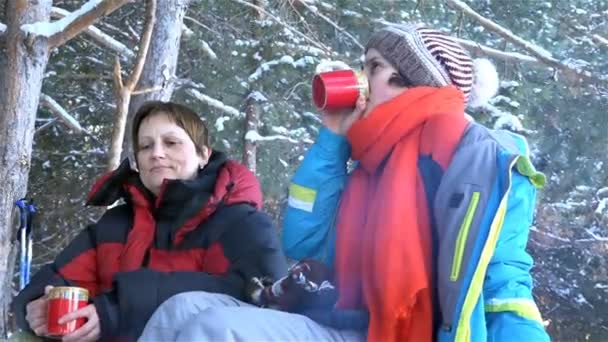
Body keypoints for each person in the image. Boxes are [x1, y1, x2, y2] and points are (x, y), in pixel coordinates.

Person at [139, 22, 551, 342]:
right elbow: (304, 244)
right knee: (181, 309)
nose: (360, 78)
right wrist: (333, 137)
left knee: (216, 330)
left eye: (374, 66)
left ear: (413, 80)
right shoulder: (370, 161)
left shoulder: (476, 157)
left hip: (395, 333)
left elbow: (502, 280)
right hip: (341, 319)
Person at [11, 101, 287, 341]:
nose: (156, 153)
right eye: (146, 146)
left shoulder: (240, 223)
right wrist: (36, 304)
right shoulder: (115, 225)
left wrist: (116, 309)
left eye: (171, 143)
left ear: (203, 154)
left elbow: (259, 295)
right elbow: (61, 278)